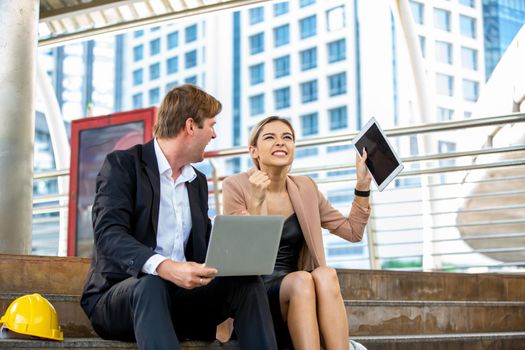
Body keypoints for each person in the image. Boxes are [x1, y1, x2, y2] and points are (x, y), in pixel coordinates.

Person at [80, 85, 277, 350]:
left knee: (247, 285)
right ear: (190, 126)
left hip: (182, 301)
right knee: (151, 285)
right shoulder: (123, 165)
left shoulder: (196, 181)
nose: (214, 134)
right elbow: (108, 236)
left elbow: (205, 245)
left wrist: (236, 247)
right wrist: (165, 267)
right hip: (122, 298)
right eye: (211, 125)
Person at [221, 116, 372, 349]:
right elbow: (245, 255)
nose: (280, 142)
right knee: (302, 280)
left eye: (287, 138)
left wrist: (362, 187)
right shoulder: (235, 185)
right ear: (254, 151)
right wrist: (257, 199)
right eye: (270, 137)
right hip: (255, 292)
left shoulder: (306, 187)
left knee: (325, 274)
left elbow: (353, 232)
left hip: (301, 293)